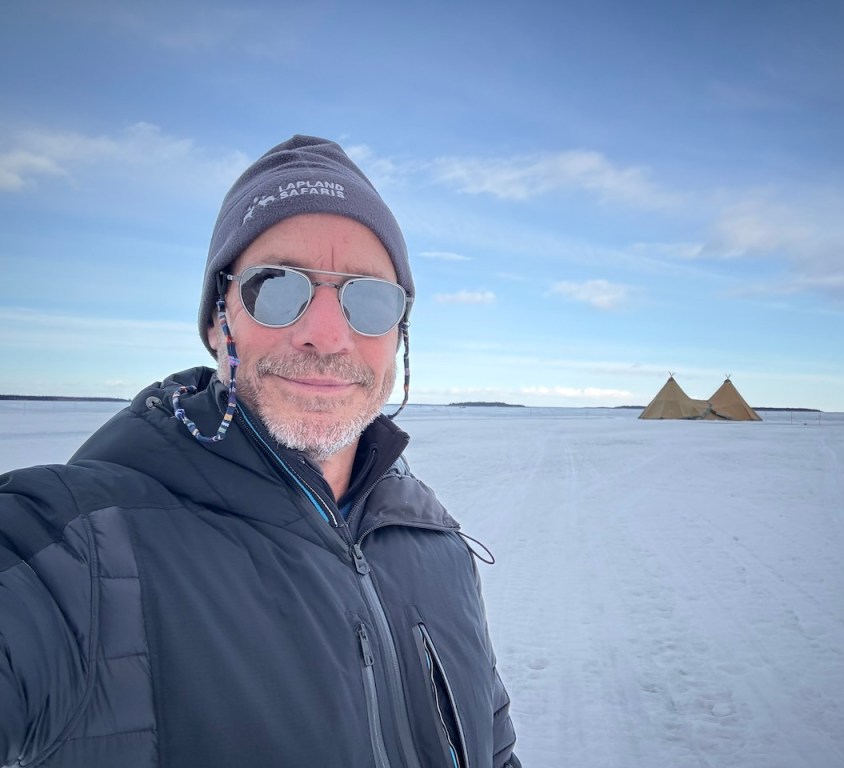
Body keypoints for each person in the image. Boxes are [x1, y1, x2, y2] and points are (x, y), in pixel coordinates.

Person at [0, 135, 521, 768]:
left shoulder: (436, 546)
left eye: (369, 299)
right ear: (217, 322)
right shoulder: (80, 550)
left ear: (399, 333)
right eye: (276, 287)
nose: (326, 335)